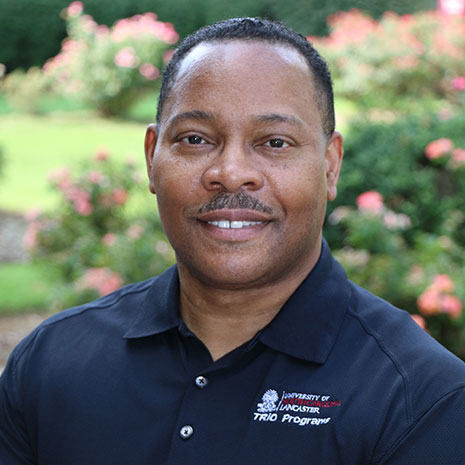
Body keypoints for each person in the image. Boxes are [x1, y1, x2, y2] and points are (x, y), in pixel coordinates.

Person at [1, 17, 465, 465]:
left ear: (330, 165)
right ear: (151, 157)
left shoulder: (422, 400)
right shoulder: (49, 364)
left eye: (275, 142)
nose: (231, 172)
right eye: (196, 139)